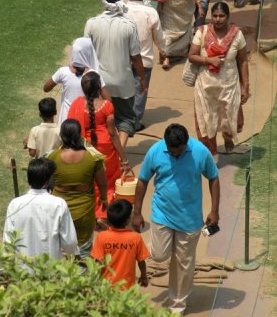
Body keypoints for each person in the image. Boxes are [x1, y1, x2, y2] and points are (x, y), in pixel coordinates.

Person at [132, 124, 220, 316]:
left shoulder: (200, 152)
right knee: (159, 255)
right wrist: (136, 212)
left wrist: (214, 210)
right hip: (161, 213)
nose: (176, 155)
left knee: (183, 263)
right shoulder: (155, 151)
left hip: (190, 219)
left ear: (186, 143)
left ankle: (177, 306)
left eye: (180, 151)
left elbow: (213, 177)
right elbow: (142, 180)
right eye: (172, 152)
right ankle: (160, 244)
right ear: (166, 144)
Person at [84, 0, 146, 147]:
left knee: (99, 119)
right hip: (123, 83)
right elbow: (136, 58)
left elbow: (86, 52)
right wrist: (142, 79)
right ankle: (121, 153)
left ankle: (101, 151)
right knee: (125, 119)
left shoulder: (91, 24)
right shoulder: (129, 25)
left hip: (98, 83)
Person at [67, 71, 131, 229]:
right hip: (106, 150)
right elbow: (113, 135)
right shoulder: (107, 105)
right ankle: (103, 214)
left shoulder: (76, 104)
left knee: (91, 183)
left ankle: (93, 215)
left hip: (85, 150)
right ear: (99, 89)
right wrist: (124, 159)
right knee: (108, 184)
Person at [188, 2, 249, 160]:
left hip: (229, 85)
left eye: (221, 16)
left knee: (230, 118)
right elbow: (192, 56)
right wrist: (209, 60)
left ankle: (228, 138)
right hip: (206, 86)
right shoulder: (202, 32)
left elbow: (243, 61)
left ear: (228, 17)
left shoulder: (237, 35)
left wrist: (245, 86)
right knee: (207, 120)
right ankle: (212, 153)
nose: (218, 19)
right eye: (215, 15)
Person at [47, 119, 108, 257]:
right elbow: (103, 183)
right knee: (83, 249)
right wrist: (104, 199)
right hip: (85, 211)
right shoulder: (93, 157)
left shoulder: (53, 157)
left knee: (60, 247)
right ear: (80, 135)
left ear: (62, 136)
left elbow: (48, 183)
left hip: (59, 210)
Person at [3, 158, 79, 259]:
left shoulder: (15, 204)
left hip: (22, 271)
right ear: (49, 180)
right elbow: (70, 242)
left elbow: (8, 240)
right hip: (51, 269)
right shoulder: (58, 204)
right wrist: (73, 255)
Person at [124, 0, 166, 130]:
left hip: (123, 59)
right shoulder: (150, 12)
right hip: (145, 59)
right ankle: (134, 123)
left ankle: (122, 120)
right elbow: (159, 37)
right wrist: (164, 51)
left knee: (124, 90)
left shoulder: (122, 9)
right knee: (140, 90)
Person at [43, 37, 110, 125]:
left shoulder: (63, 71)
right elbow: (108, 100)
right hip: (85, 121)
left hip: (65, 121)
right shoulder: (93, 75)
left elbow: (46, 88)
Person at [91, 199, 149, 289]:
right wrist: (144, 276)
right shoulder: (135, 238)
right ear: (127, 221)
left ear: (109, 220)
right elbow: (141, 261)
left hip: (106, 287)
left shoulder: (101, 237)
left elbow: (97, 262)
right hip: (127, 287)